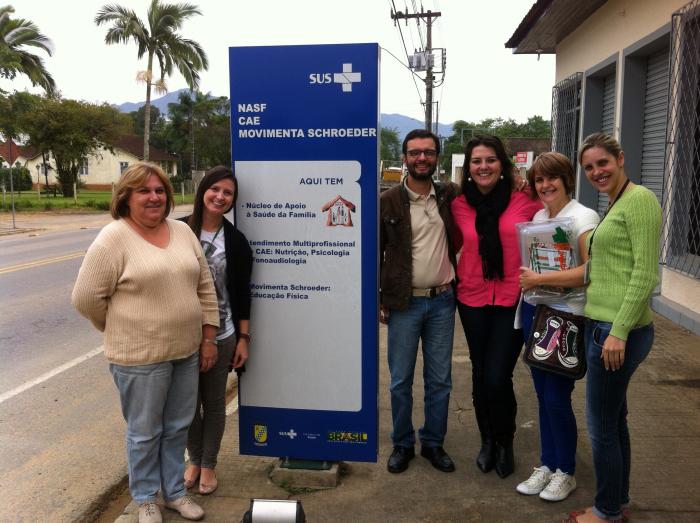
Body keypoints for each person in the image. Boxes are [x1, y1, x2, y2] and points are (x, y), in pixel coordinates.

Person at [72, 162, 219, 523]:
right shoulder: (113, 238)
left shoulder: (182, 232)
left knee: (177, 428)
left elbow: (204, 286)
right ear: (126, 197)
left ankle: (173, 492)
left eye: (160, 191)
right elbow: (86, 298)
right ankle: (145, 497)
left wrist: (208, 337)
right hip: (139, 360)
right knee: (144, 433)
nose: (154, 197)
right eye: (144, 191)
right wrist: (120, 327)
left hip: (185, 352)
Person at [565, 133, 661, 523]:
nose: (596, 172)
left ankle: (605, 512)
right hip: (604, 326)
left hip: (617, 331)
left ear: (620, 158)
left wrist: (618, 331)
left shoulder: (639, 200)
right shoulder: (617, 202)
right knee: (614, 420)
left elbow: (644, 273)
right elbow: (608, 268)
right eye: (589, 167)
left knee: (601, 427)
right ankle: (617, 499)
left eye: (603, 163)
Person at [451, 135, 542, 479]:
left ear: (503, 166)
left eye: (490, 160)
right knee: (478, 371)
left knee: (497, 376)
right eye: (477, 161)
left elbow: (553, 220)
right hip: (471, 296)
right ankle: (486, 439)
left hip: (511, 298)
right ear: (469, 168)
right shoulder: (458, 204)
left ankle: (505, 441)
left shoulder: (524, 201)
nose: (483, 166)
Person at [516, 152, 600, 501]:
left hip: (566, 319)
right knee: (541, 396)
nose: (545, 185)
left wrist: (540, 277)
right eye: (539, 180)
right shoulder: (539, 216)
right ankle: (547, 464)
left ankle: (566, 470)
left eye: (552, 178)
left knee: (556, 397)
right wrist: (532, 280)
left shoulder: (584, 217)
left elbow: (590, 271)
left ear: (567, 179)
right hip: (537, 314)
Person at [379, 129, 460, 474]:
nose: (421, 158)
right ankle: (401, 443)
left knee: (440, 380)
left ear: (437, 157)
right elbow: (374, 253)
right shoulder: (388, 202)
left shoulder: (450, 196)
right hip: (404, 304)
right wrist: (379, 298)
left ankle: (433, 443)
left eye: (428, 152)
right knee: (400, 381)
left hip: (443, 301)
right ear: (405, 158)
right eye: (415, 153)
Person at [181, 166, 253, 495]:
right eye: (215, 189)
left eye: (228, 193)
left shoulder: (236, 242)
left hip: (222, 335)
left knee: (212, 403)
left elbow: (241, 294)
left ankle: (208, 465)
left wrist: (243, 338)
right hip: (180, 337)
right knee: (185, 405)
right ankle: (193, 459)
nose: (220, 197)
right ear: (203, 190)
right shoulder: (177, 231)